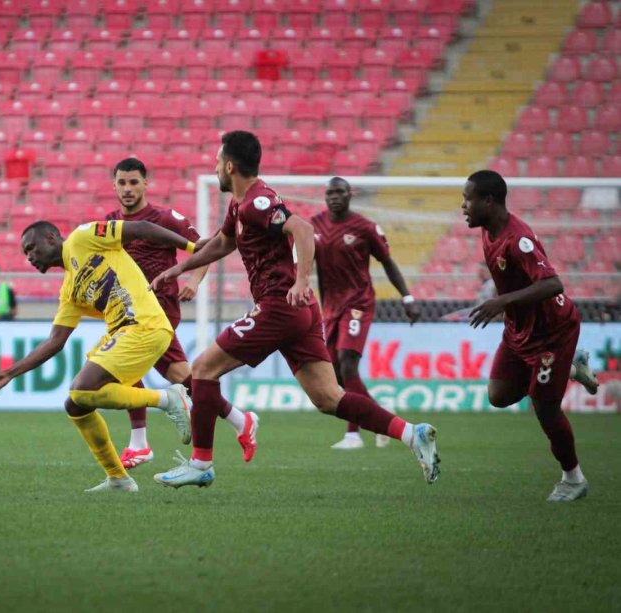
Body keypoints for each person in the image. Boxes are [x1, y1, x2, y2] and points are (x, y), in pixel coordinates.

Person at [150, 131, 441, 488]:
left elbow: (302, 229)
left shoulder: (258, 201)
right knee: (328, 398)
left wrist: (302, 280)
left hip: (279, 304)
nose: (214, 170)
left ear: (229, 165)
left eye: (216, 163)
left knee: (204, 369)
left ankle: (201, 463)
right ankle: (413, 435)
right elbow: (223, 242)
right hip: (297, 311)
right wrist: (180, 269)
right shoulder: (240, 204)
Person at [0, 219, 197, 493]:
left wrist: (191, 246)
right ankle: (118, 479)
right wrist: (9, 372)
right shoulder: (69, 290)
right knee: (76, 404)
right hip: (124, 334)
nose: (29, 257)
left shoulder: (83, 237)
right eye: (25, 253)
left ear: (52, 238)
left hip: (144, 325)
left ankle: (167, 398)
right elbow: (55, 341)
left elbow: (140, 228)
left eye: (31, 248)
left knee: (82, 389)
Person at [106, 157, 258, 469]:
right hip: (129, 312)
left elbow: (206, 247)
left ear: (146, 183)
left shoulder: (164, 218)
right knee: (186, 378)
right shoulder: (110, 222)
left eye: (134, 182)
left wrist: (194, 279)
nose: (127, 189)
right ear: (114, 186)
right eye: (122, 183)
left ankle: (140, 444)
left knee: (126, 368)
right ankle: (240, 421)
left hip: (158, 311)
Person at [461, 169, 600, 501]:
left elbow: (553, 284)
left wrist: (501, 302)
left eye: (468, 199)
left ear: (489, 201)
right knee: (497, 395)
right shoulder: (488, 231)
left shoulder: (518, 239)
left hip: (553, 332)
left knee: (545, 408)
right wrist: (506, 304)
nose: (463, 206)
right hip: (519, 329)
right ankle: (569, 367)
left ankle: (573, 479)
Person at [311, 177, 421, 450]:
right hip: (331, 307)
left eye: (339, 192)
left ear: (350, 195)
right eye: (329, 193)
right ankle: (379, 415)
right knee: (335, 374)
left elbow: (387, 263)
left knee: (348, 363)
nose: (334, 197)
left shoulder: (365, 227)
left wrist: (407, 296)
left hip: (358, 303)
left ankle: (353, 434)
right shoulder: (315, 225)